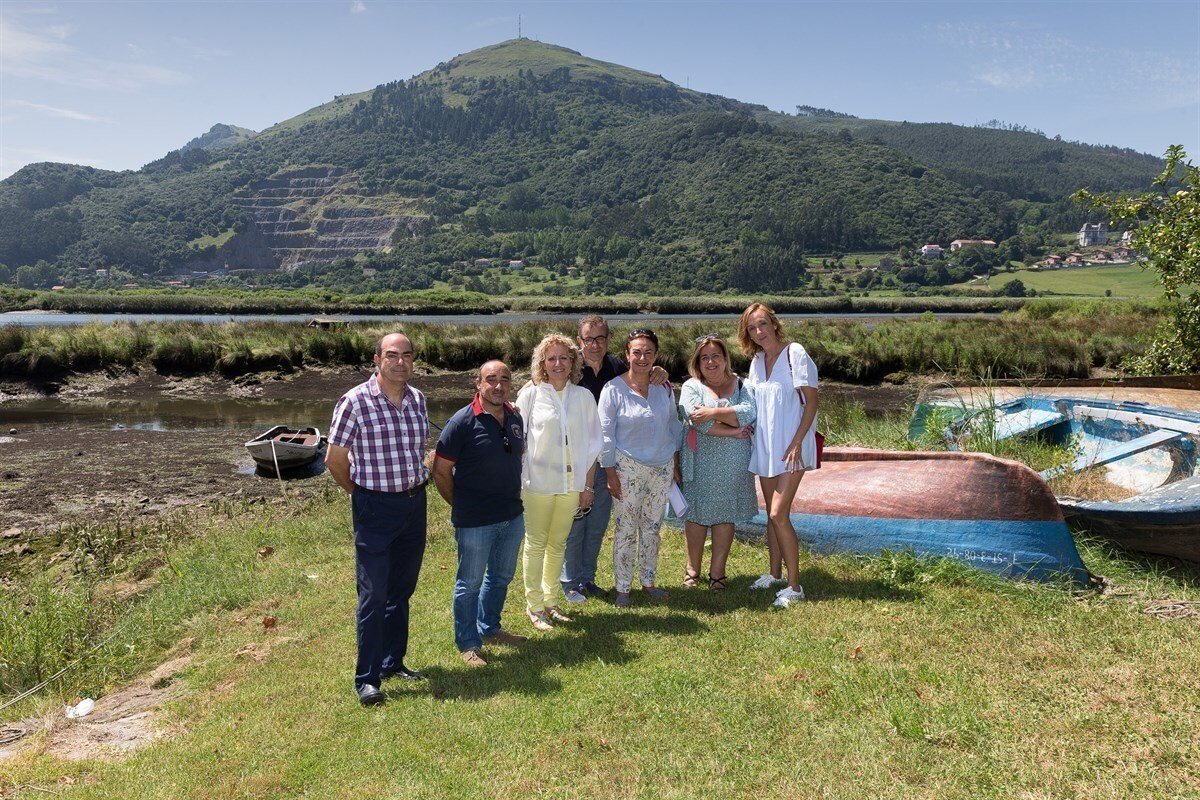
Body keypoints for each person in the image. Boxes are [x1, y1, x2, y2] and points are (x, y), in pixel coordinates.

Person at [325, 333, 430, 706]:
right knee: (373, 594)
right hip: (374, 507)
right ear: (377, 360)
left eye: (406, 355)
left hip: (414, 504)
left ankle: (392, 662)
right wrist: (358, 494)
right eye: (391, 355)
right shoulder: (354, 402)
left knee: (401, 589)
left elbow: (418, 452)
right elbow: (335, 459)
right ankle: (367, 679)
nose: (400, 362)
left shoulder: (418, 400)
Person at [561, 315, 667, 603]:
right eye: (588, 339)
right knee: (576, 521)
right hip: (576, 457)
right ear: (579, 341)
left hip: (609, 459)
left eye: (600, 338)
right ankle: (570, 582)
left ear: (608, 340)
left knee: (597, 523)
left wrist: (659, 371)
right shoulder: (570, 369)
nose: (595, 345)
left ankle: (588, 578)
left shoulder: (617, 367)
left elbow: (641, 372)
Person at [432, 360, 529, 666]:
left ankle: (490, 629)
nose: (498, 385)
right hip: (475, 520)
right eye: (491, 379)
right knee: (469, 583)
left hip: (512, 515)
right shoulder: (461, 422)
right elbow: (441, 471)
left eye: (505, 379)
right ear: (478, 383)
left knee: (500, 577)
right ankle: (468, 642)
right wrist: (461, 504)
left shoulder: (514, 416)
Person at [515, 334, 602, 631]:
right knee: (536, 543)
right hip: (537, 483)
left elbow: (593, 445)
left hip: (571, 483)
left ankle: (551, 601)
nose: (558, 364)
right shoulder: (530, 395)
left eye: (564, 357)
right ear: (542, 363)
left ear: (573, 361)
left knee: (558, 544)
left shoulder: (584, 397)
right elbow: (518, 439)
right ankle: (534, 606)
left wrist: (587, 486)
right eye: (551, 358)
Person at [739, 303, 819, 609]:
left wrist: (797, 442)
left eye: (762, 324)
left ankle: (795, 586)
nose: (758, 332)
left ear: (774, 324)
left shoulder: (794, 353)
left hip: (791, 449)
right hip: (766, 448)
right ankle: (774, 575)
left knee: (777, 514)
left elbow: (812, 402)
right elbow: (753, 405)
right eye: (751, 328)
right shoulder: (757, 361)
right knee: (770, 515)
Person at [598, 328, 682, 608]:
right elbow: (605, 435)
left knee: (652, 527)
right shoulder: (612, 390)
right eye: (637, 352)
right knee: (626, 529)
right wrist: (610, 472)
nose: (642, 358)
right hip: (627, 468)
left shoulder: (664, 388)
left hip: (661, 467)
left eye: (648, 352)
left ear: (656, 355)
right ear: (627, 354)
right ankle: (623, 588)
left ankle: (648, 582)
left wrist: (675, 462)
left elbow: (673, 425)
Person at [677, 334, 758, 591]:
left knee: (725, 515)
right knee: (696, 515)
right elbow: (695, 421)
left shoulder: (743, 384)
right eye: (705, 358)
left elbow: (749, 413)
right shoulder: (691, 386)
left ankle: (718, 573)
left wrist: (712, 412)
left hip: (734, 462)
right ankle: (692, 570)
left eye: (716, 356)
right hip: (699, 460)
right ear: (697, 362)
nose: (711, 362)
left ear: (725, 358)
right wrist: (733, 430)